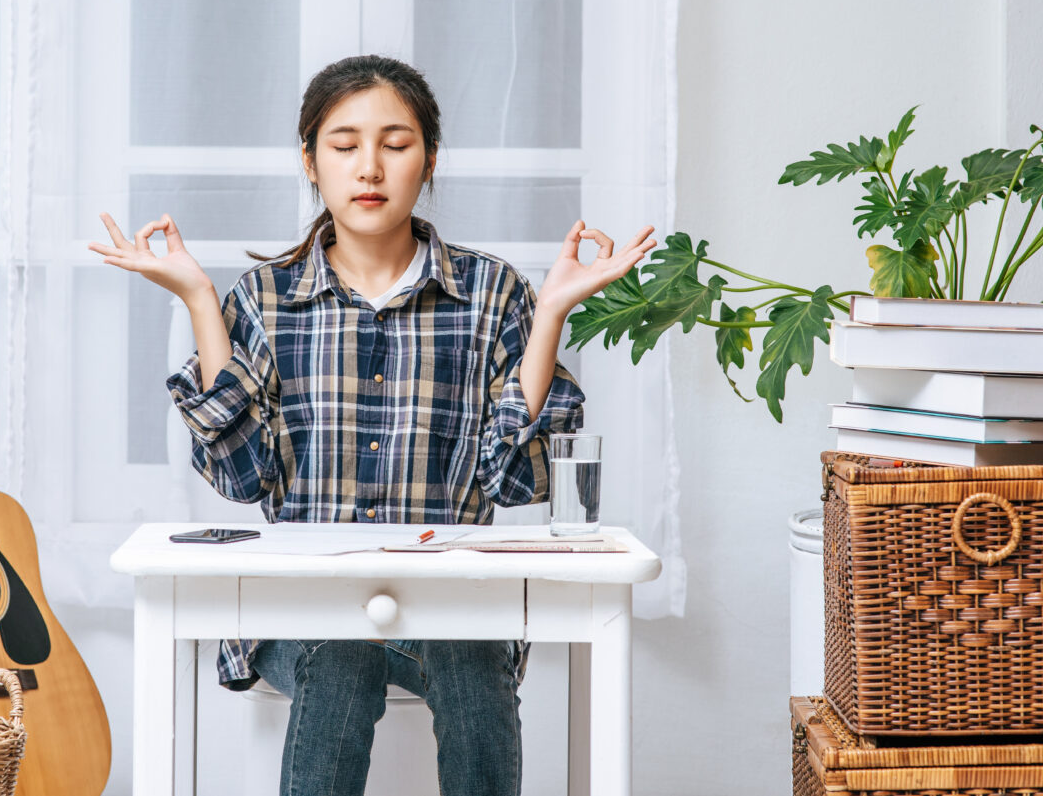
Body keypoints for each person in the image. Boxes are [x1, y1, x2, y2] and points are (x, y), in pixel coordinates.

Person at [90, 54, 656, 796]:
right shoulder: (266, 299)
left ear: (428, 161)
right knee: (344, 652)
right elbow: (242, 477)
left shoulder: (493, 294)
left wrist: (551, 313)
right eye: (344, 143)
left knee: (471, 651)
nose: (370, 167)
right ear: (309, 161)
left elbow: (510, 480)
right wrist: (200, 297)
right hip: (296, 612)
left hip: (449, 608)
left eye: (395, 143)